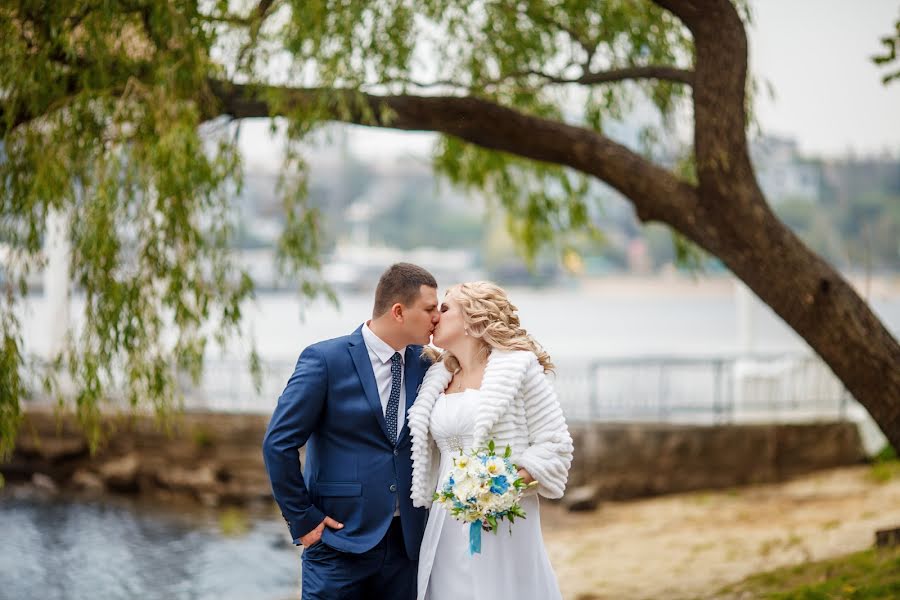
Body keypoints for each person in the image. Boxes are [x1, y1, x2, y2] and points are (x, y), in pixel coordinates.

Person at [263, 263, 441, 600]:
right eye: (430, 309)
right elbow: (278, 444)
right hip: (338, 540)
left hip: (407, 546)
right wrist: (303, 519)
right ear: (399, 311)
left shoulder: (428, 364)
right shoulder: (325, 360)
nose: (437, 318)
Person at [408, 281, 574, 600]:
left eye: (445, 309)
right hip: (443, 517)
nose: (435, 317)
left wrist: (497, 490)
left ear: (473, 320)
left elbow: (556, 445)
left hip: (499, 519)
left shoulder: (518, 368)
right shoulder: (435, 375)